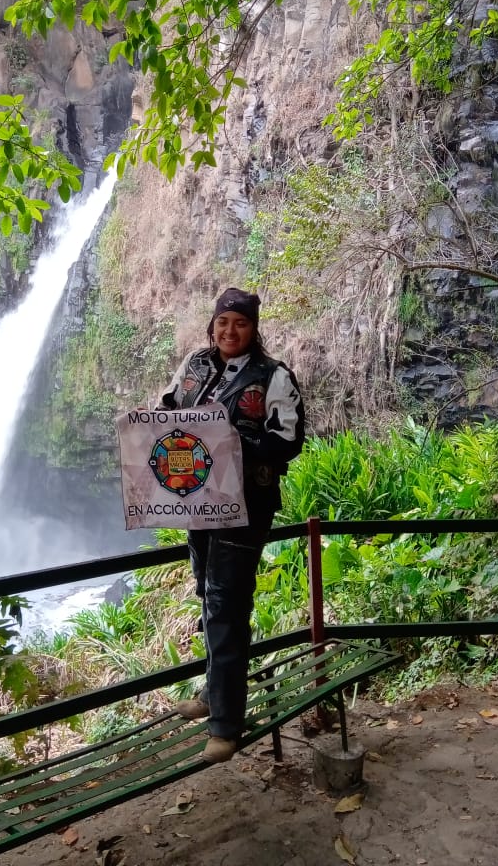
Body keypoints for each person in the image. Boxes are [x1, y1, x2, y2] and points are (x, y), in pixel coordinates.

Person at [157, 287, 305, 764]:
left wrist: (231, 444)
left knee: (226, 603)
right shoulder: (194, 365)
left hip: (245, 507)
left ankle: (226, 724)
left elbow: (289, 439)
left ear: (253, 328)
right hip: (196, 501)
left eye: (240, 323)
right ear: (212, 325)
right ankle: (213, 693)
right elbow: (165, 412)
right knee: (208, 594)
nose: (229, 331)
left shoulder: (273, 377)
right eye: (223, 322)